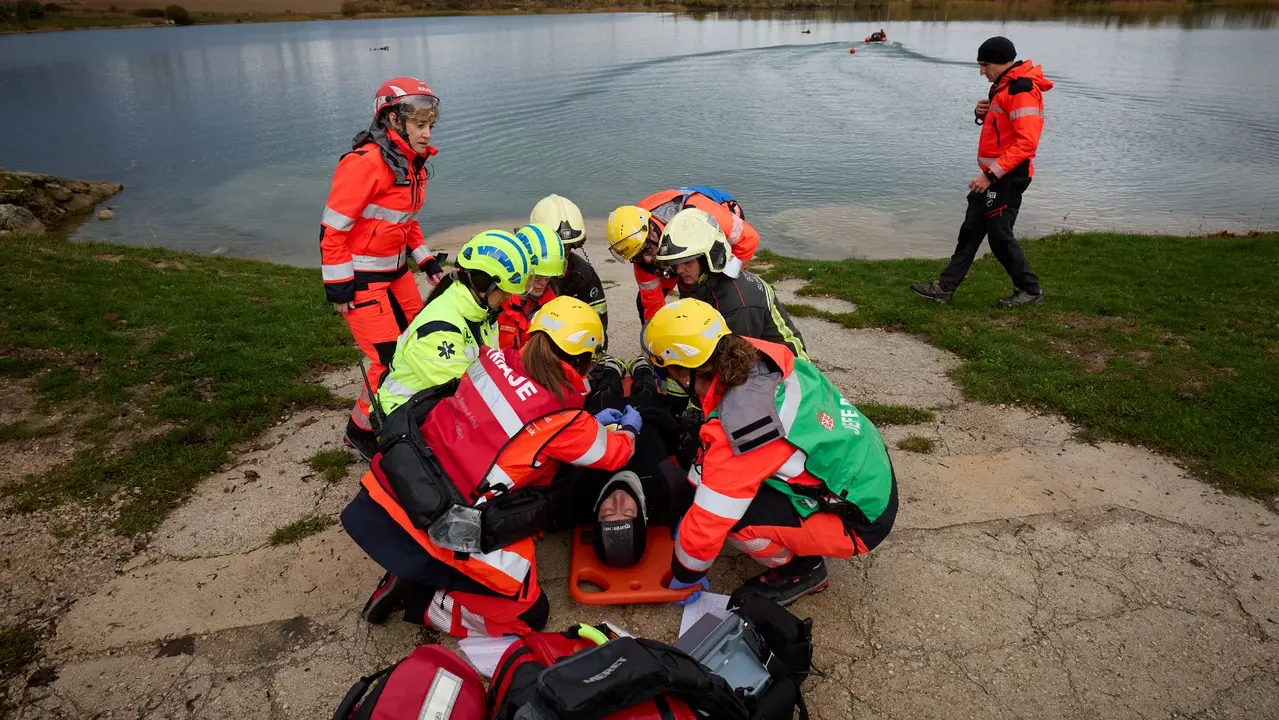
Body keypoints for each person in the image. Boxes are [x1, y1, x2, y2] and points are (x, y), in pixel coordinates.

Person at [341, 297, 644, 637]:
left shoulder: (492, 359)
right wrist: (629, 428)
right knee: (531, 616)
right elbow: (615, 454)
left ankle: (419, 565)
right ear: (582, 358)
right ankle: (421, 596)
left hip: (400, 480)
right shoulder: (562, 420)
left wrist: (585, 425)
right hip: (448, 519)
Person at [643, 299, 898, 608]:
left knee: (736, 522)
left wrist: (684, 572)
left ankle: (802, 571)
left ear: (685, 374)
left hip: (863, 517)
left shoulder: (742, 425)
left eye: (669, 373)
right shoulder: (756, 355)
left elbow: (710, 521)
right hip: (868, 471)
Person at [320, 76, 447, 456]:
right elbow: (333, 230)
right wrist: (340, 287)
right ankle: (360, 430)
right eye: (420, 125)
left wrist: (424, 261)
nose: (427, 134)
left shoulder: (413, 165)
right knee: (386, 360)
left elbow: (404, 220)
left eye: (431, 126)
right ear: (393, 121)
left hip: (396, 274)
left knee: (416, 343)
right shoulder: (364, 164)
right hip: (363, 280)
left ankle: (403, 413)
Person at [910, 36, 1052, 308]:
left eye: (985, 65)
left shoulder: (1020, 90)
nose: (981, 71)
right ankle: (944, 288)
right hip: (994, 175)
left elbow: (1026, 143)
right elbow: (1004, 130)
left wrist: (990, 175)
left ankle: (1030, 290)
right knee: (971, 231)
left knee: (999, 237)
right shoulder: (1003, 87)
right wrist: (982, 112)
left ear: (1002, 62)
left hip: (1008, 177)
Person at [371, 230, 531, 434]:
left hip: (435, 403)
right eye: (505, 290)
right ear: (484, 285)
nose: (508, 297)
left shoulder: (481, 311)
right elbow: (468, 395)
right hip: (405, 417)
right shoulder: (439, 330)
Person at [655, 208, 808, 361]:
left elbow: (736, 362)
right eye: (676, 263)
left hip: (787, 369)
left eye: (687, 262)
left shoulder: (738, 303)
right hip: (751, 355)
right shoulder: (698, 280)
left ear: (707, 260)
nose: (680, 270)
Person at [606, 186, 759, 323]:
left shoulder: (696, 211)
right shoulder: (636, 244)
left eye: (646, 251)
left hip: (719, 214)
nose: (646, 259)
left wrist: (730, 276)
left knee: (710, 290)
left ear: (651, 229)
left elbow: (748, 240)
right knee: (646, 304)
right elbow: (651, 302)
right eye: (637, 257)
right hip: (665, 238)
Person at [530, 194, 609, 330]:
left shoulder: (582, 274)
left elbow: (598, 323)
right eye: (556, 247)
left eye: (566, 247)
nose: (562, 253)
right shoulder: (516, 269)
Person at [497, 223, 569, 350]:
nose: (542, 283)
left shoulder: (553, 308)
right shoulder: (497, 302)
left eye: (547, 278)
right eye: (537, 276)